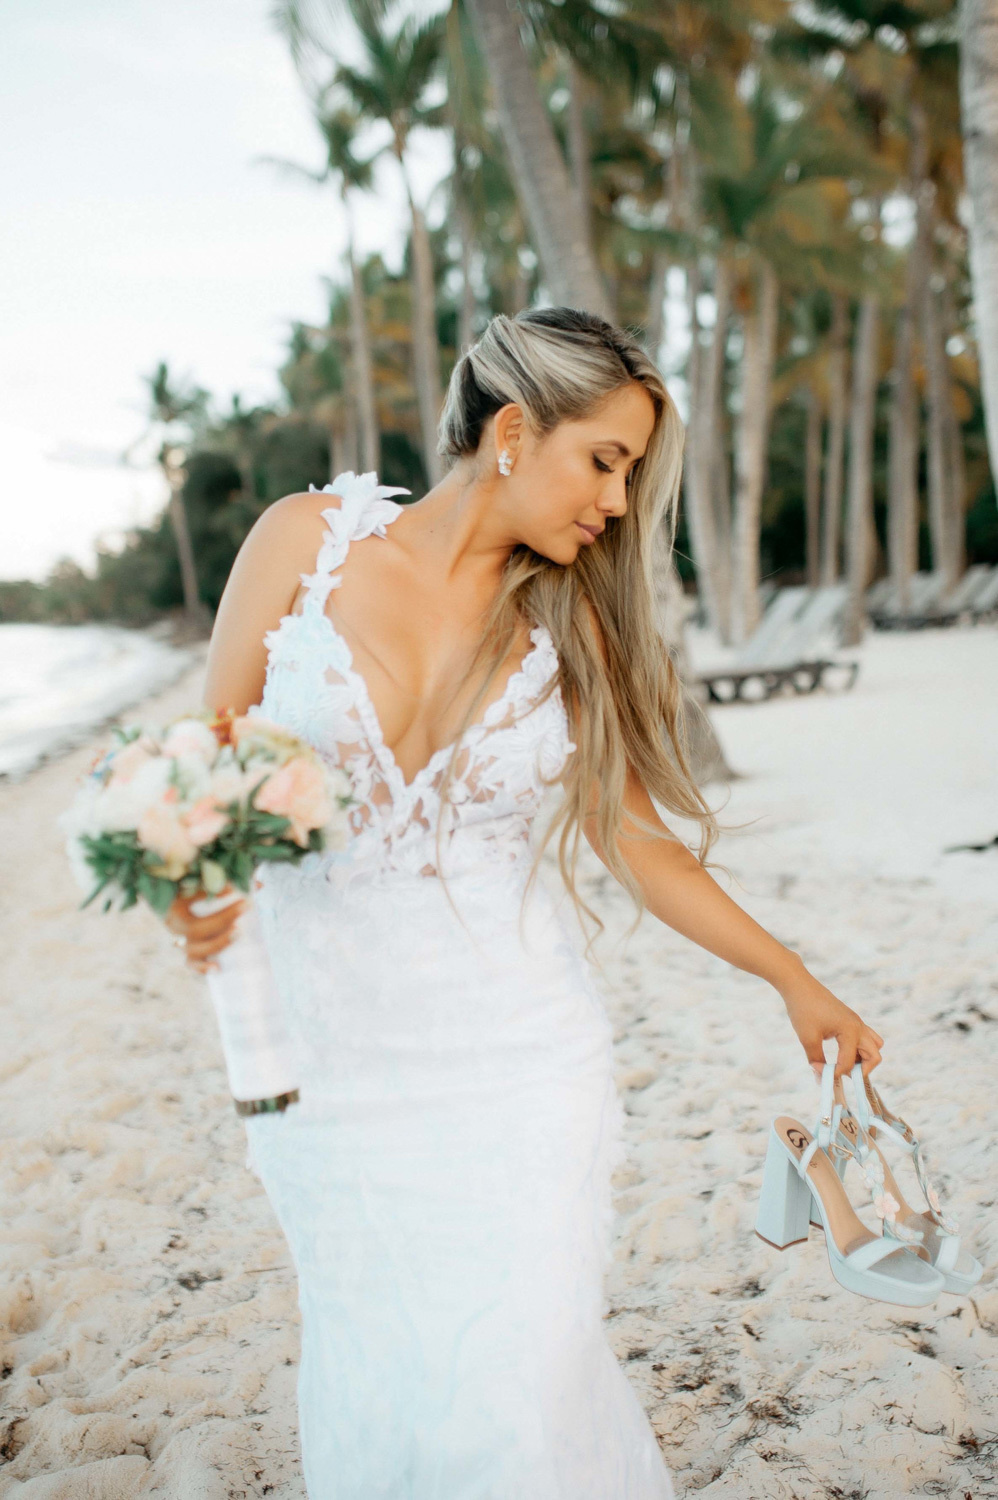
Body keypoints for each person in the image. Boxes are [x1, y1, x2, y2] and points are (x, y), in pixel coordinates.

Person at [166, 307, 884, 1499]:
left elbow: (636, 843)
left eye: (628, 472)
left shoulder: (571, 622)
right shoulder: (303, 541)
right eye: (602, 460)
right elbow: (209, 770)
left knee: (518, 1385)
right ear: (511, 431)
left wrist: (790, 979)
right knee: (379, 1365)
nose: (615, 501)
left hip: (520, 1064)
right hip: (322, 1069)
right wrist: (196, 888)